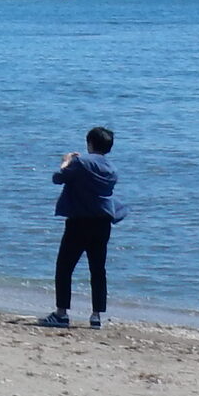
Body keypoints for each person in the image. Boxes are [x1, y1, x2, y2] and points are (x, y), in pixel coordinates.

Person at [41, 127, 124, 328]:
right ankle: (96, 317)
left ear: (90, 143)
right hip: (102, 222)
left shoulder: (81, 162)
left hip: (79, 221)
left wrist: (66, 161)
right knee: (98, 269)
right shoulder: (112, 169)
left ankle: (61, 314)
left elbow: (58, 177)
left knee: (64, 267)